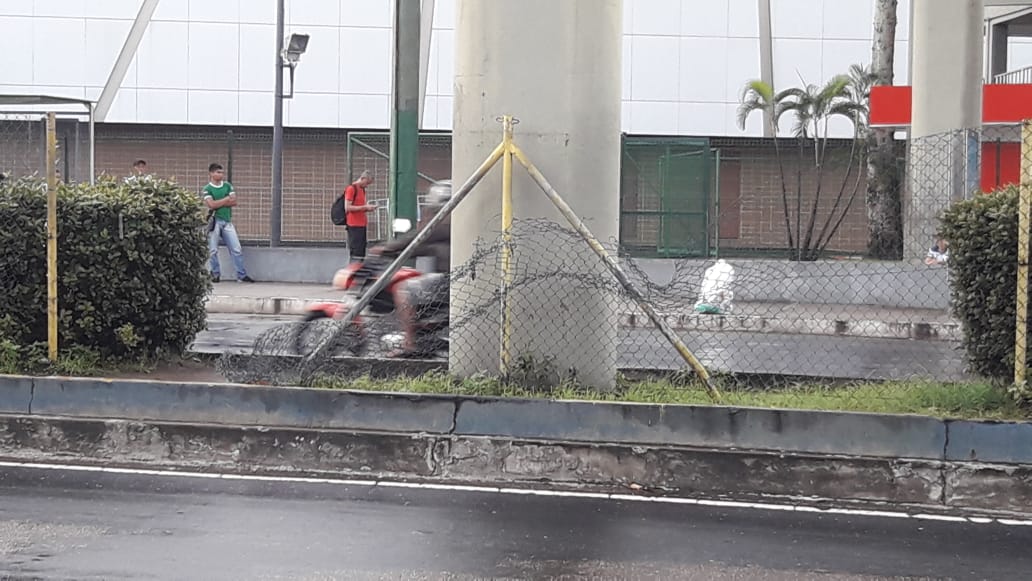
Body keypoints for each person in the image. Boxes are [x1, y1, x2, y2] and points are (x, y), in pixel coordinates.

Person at [370, 184, 451, 358]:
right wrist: (395, 253)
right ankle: (422, 331)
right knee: (415, 279)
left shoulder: (445, 224)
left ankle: (410, 343)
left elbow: (421, 236)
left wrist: (388, 247)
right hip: (451, 278)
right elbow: (428, 246)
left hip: (450, 280)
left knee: (404, 289)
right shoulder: (449, 227)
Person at [203, 162, 254, 283]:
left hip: (227, 221)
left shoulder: (227, 186)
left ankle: (241, 275)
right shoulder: (207, 189)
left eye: (222, 172)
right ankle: (215, 274)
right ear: (211, 173)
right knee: (213, 250)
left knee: (236, 248)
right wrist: (226, 199)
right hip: (215, 222)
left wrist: (219, 203)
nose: (221, 174)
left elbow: (234, 202)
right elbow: (211, 204)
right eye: (218, 172)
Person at [343, 170, 377, 262]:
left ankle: (358, 270)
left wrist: (367, 208)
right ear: (362, 178)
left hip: (361, 224)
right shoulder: (351, 189)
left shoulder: (362, 190)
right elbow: (347, 207)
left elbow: (359, 206)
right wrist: (364, 207)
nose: (367, 186)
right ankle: (353, 270)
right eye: (366, 183)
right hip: (354, 225)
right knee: (356, 252)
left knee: (361, 251)